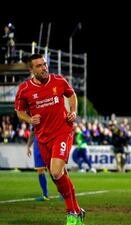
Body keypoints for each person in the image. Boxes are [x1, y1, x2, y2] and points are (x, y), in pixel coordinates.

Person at [15, 53, 85, 225]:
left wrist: (73, 111)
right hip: (43, 138)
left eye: (44, 64)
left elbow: (71, 94)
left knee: (55, 171)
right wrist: (30, 119)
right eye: (38, 66)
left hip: (63, 131)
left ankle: (71, 214)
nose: (44, 68)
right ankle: (77, 210)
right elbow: (19, 111)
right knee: (59, 176)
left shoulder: (59, 81)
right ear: (32, 70)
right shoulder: (24, 89)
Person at [27, 131, 49, 201]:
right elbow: (33, 132)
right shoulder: (34, 120)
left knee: (54, 169)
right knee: (40, 170)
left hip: (49, 139)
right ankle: (45, 195)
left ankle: (64, 193)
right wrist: (28, 146)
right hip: (38, 143)